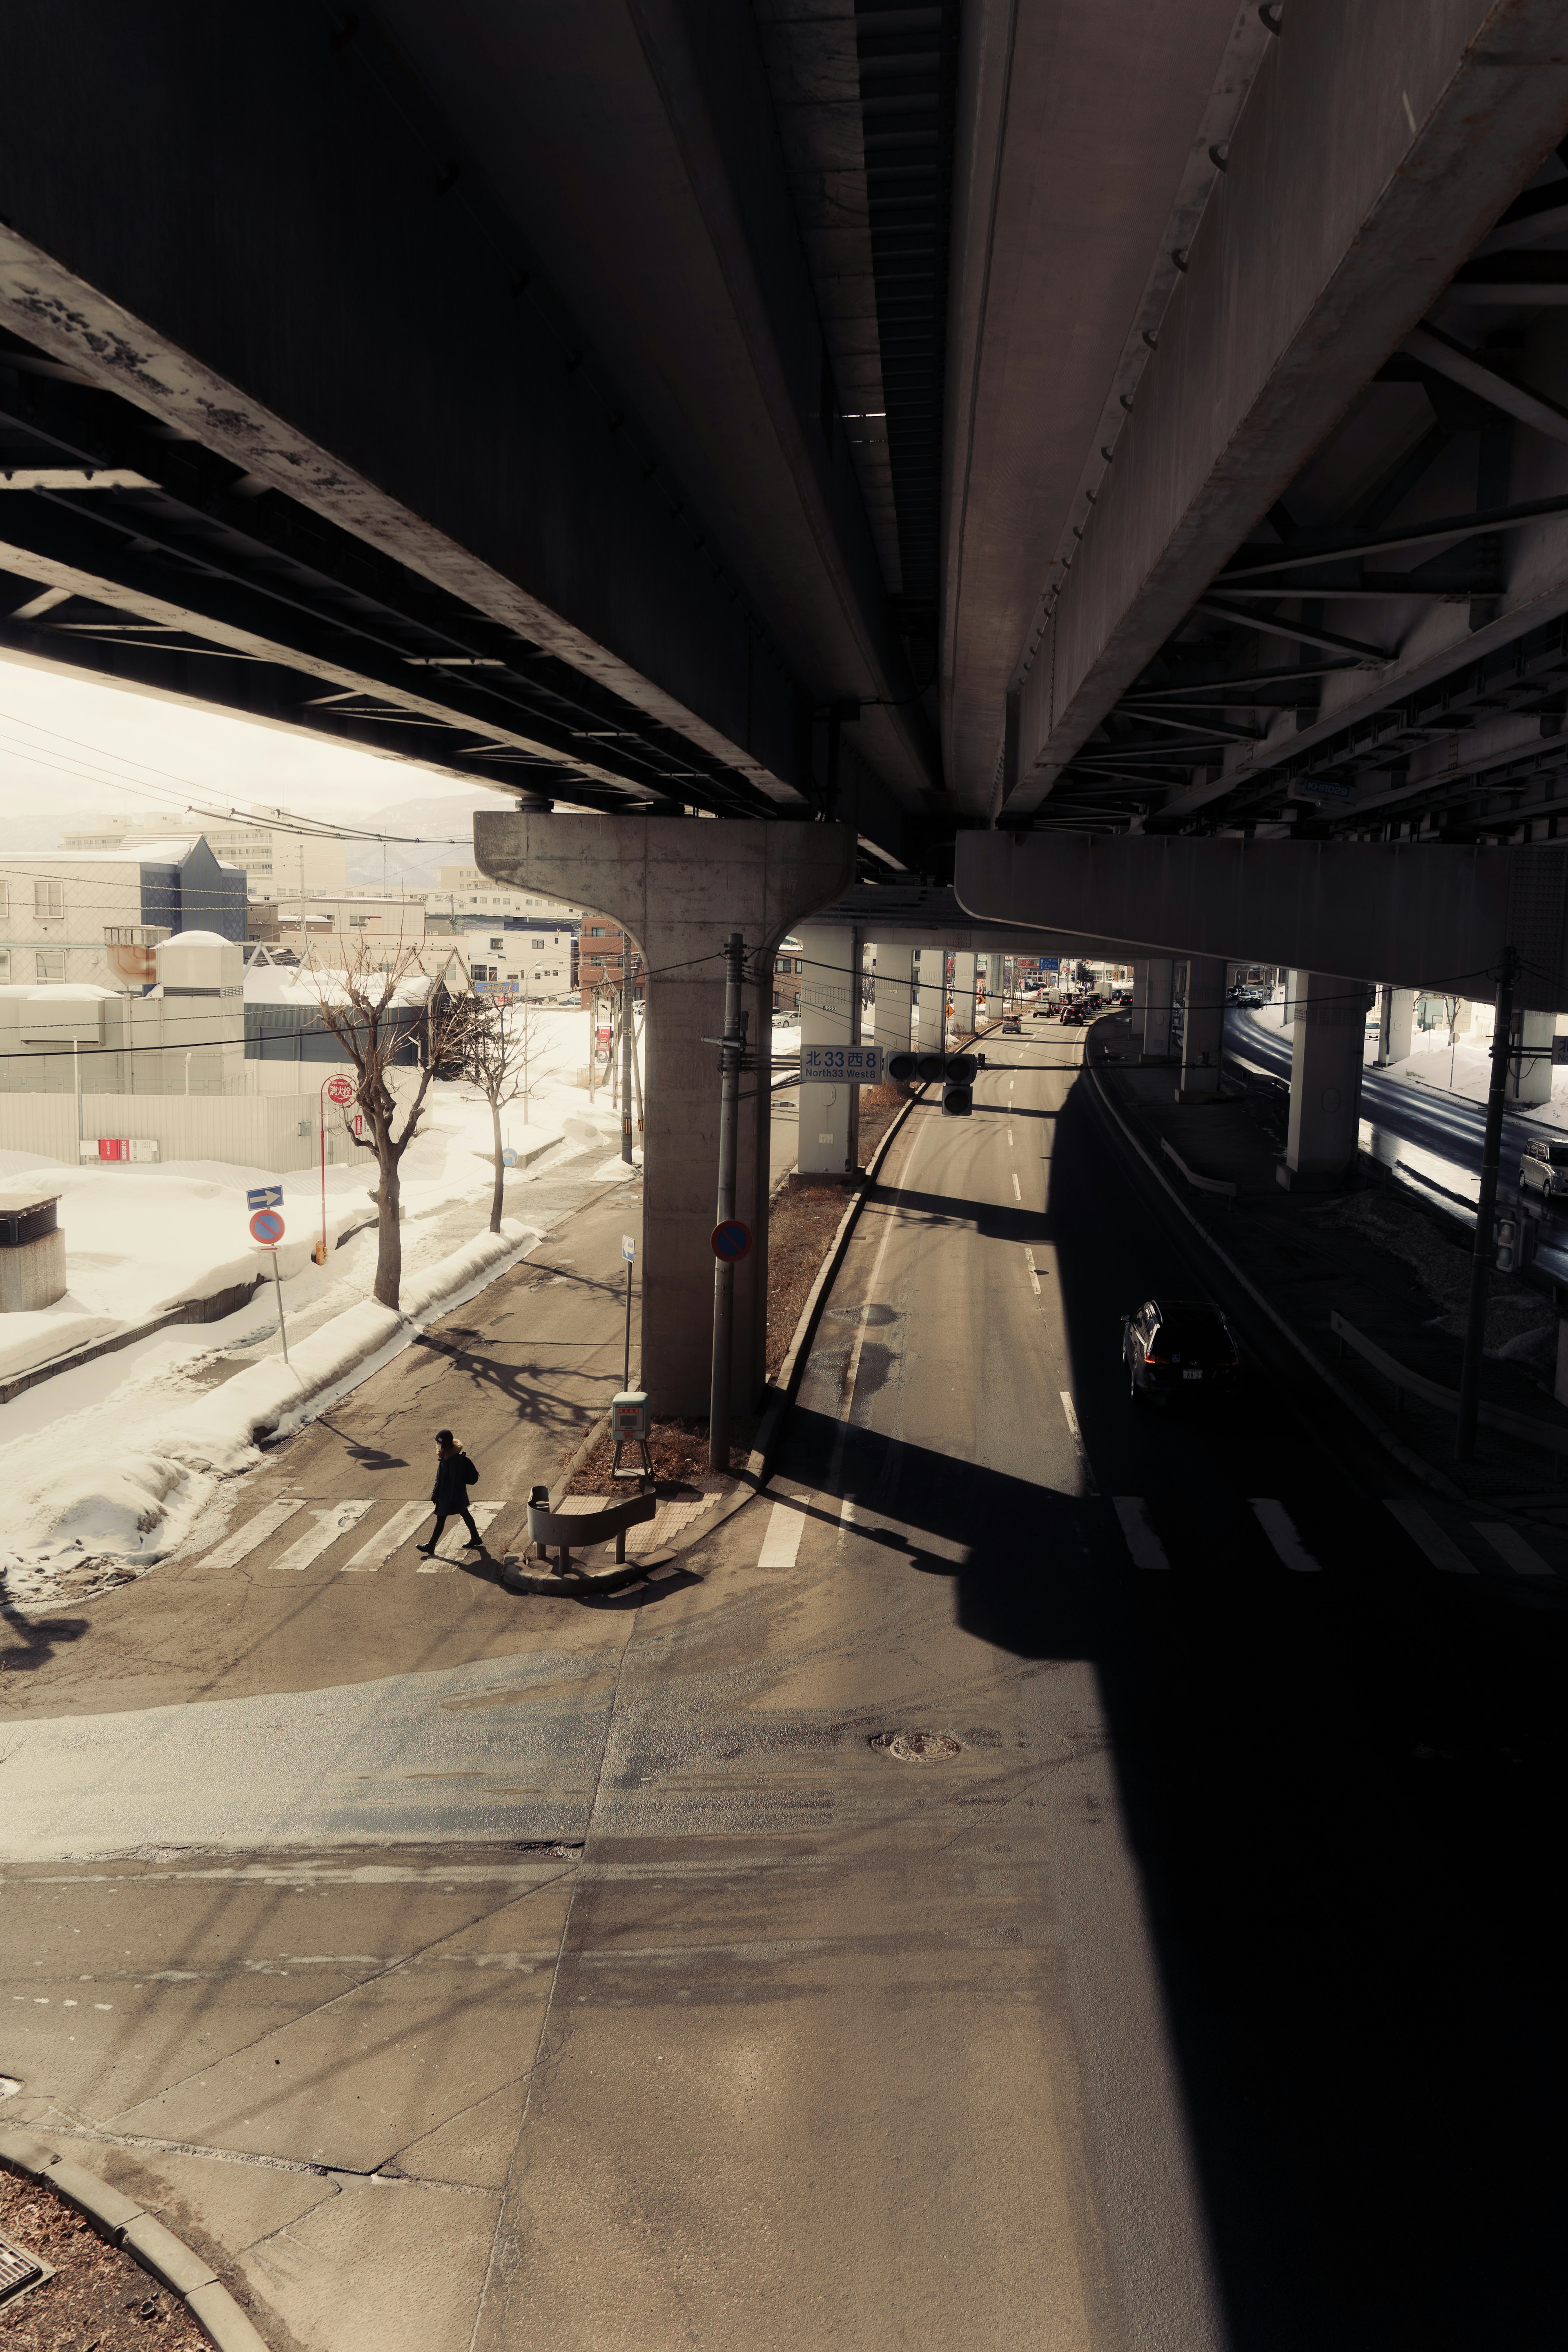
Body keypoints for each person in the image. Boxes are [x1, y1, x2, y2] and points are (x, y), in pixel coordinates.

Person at [417, 1428, 482, 1555]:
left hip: (452, 1496)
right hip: (446, 1495)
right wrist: (435, 1493)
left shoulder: (454, 1460)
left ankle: (431, 1545)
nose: (437, 1447)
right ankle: (476, 1538)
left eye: (439, 1445)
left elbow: (456, 1481)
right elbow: (439, 1478)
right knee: (463, 1513)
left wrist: (453, 1499)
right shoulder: (445, 1458)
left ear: (446, 1446)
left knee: (443, 1519)